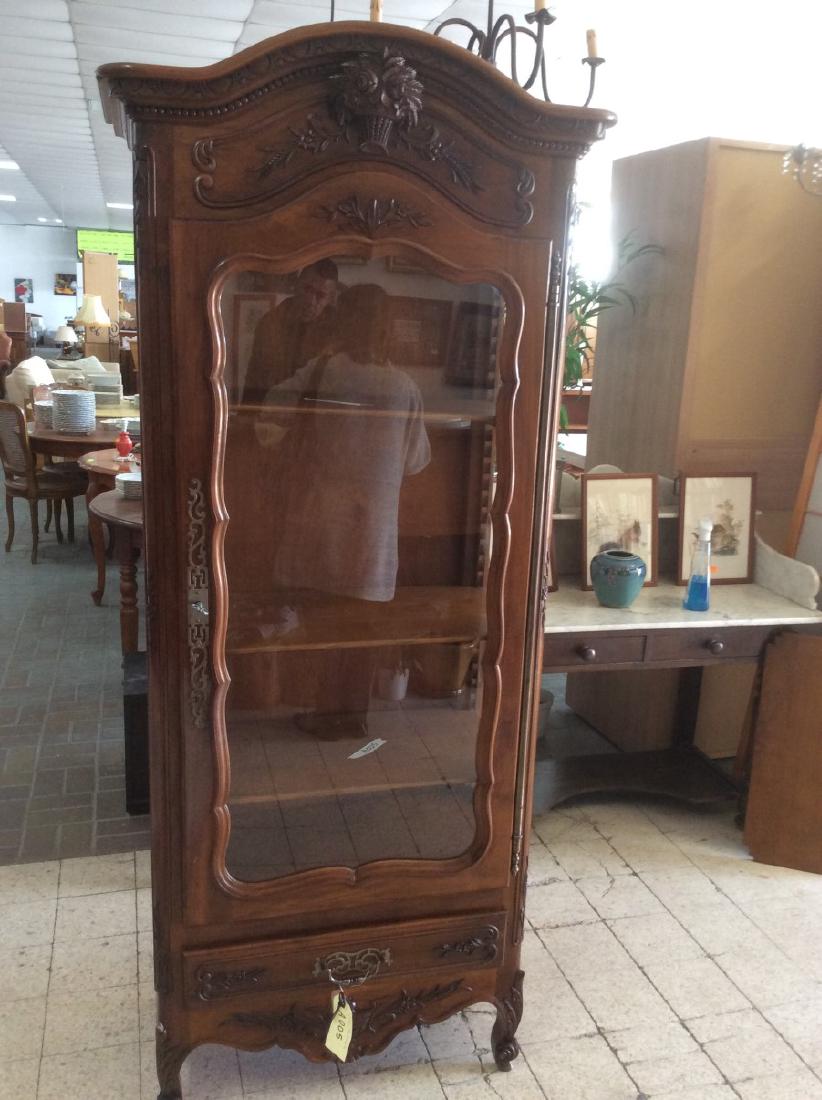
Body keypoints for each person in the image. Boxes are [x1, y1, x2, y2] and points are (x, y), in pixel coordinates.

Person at [260, 283, 431, 737]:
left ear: (343, 321)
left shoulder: (323, 371)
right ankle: (354, 716)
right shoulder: (404, 386)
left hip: (320, 522)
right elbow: (416, 460)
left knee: (321, 624)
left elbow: (271, 408)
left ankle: (322, 711)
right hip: (373, 531)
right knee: (361, 630)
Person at [241, 259, 339, 403]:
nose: (311, 301)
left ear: (330, 299)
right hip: (273, 410)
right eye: (307, 289)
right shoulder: (271, 322)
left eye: (320, 295)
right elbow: (255, 377)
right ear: (296, 285)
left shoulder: (336, 328)